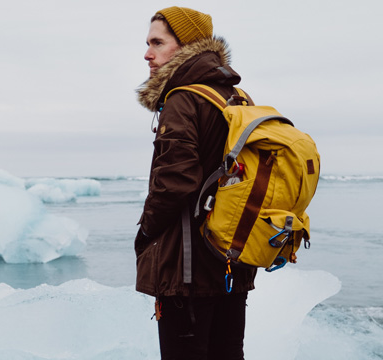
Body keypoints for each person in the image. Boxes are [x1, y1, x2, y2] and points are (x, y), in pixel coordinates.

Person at [134, 6, 257, 360]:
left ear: (185, 44)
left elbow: (175, 182)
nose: (147, 53)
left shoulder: (182, 98)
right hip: (233, 261)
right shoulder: (238, 98)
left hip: (186, 271)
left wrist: (146, 233)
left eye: (157, 42)